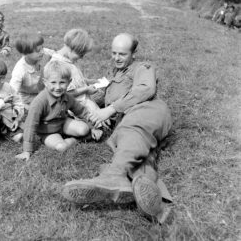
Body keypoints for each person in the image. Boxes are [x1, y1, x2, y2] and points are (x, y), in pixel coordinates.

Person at [62, 33, 173, 221]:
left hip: (148, 110)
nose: (116, 58)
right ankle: (156, 205)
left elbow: (146, 89)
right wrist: (80, 110)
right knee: (140, 157)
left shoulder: (142, 67)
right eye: (114, 53)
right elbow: (101, 99)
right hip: (129, 123)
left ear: (133, 54)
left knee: (132, 133)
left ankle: (112, 176)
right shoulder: (115, 73)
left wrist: (111, 109)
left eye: (122, 54)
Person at [15, 60, 93, 161]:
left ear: (69, 82)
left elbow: (82, 111)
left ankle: (77, 135)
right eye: (53, 82)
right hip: (47, 132)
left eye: (62, 82)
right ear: (45, 82)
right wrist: (27, 150)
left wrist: (93, 126)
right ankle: (75, 140)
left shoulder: (67, 97)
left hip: (62, 123)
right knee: (62, 147)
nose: (58, 87)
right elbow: (30, 125)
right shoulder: (39, 101)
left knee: (84, 129)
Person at [50, 28, 103, 140]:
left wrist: (89, 81)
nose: (82, 57)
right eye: (81, 54)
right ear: (72, 49)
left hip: (82, 100)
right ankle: (85, 128)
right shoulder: (59, 65)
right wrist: (86, 89)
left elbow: (75, 80)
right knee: (99, 121)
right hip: (73, 106)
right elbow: (66, 94)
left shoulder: (68, 61)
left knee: (102, 108)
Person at [10, 33, 54, 109]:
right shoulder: (20, 70)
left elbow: (59, 55)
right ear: (25, 53)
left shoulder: (43, 54)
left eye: (42, 48)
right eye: (38, 50)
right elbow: (11, 93)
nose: (42, 52)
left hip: (45, 93)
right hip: (27, 99)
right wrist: (24, 106)